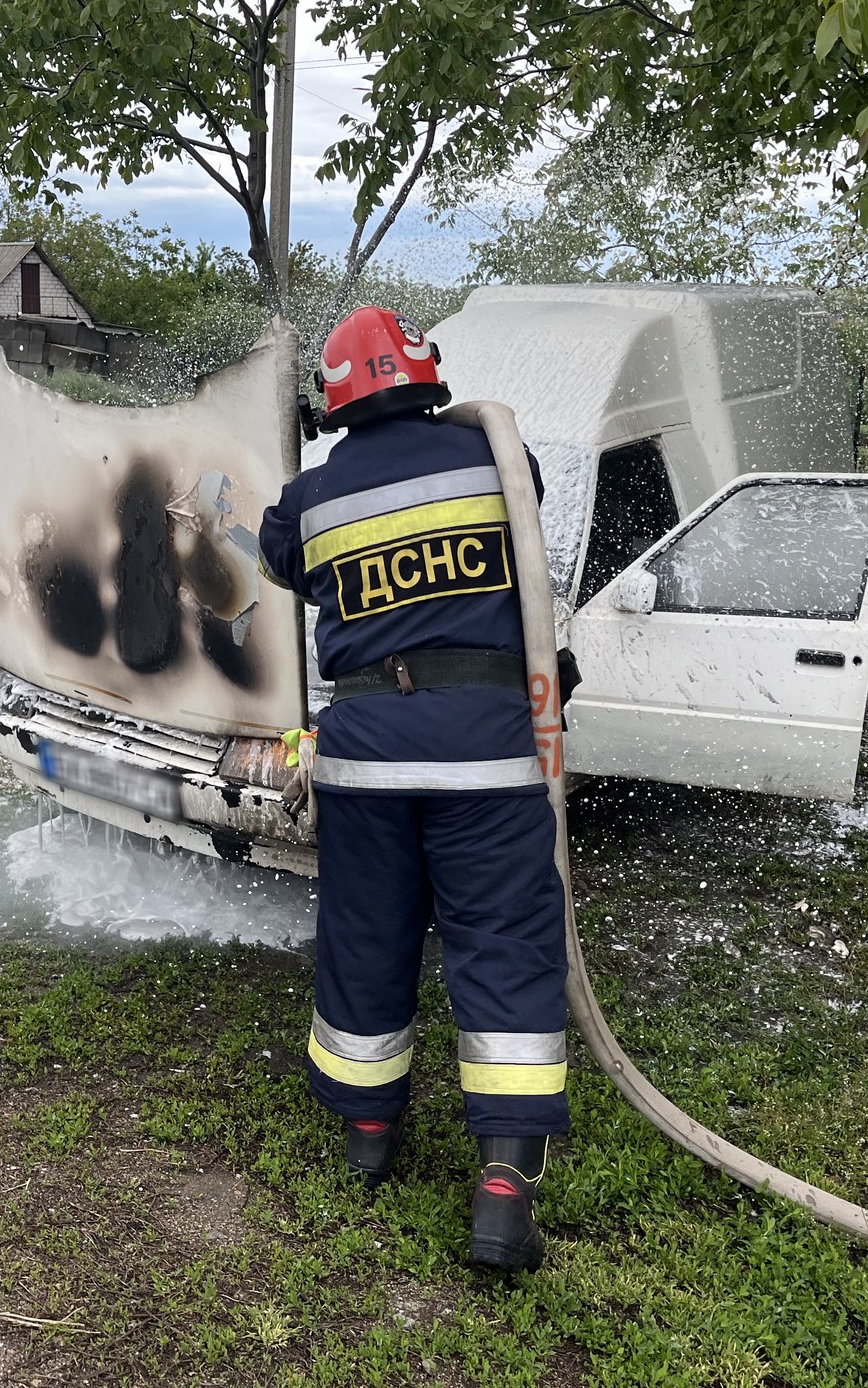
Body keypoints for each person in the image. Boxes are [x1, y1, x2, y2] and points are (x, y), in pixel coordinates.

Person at [258, 305, 566, 1272]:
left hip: (365, 766)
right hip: (490, 759)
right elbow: (532, 505)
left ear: (334, 399)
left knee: (367, 939)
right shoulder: (497, 463)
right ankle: (504, 1192)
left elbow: (277, 563)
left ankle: (368, 1141)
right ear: (426, 373)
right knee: (503, 945)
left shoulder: (309, 502)